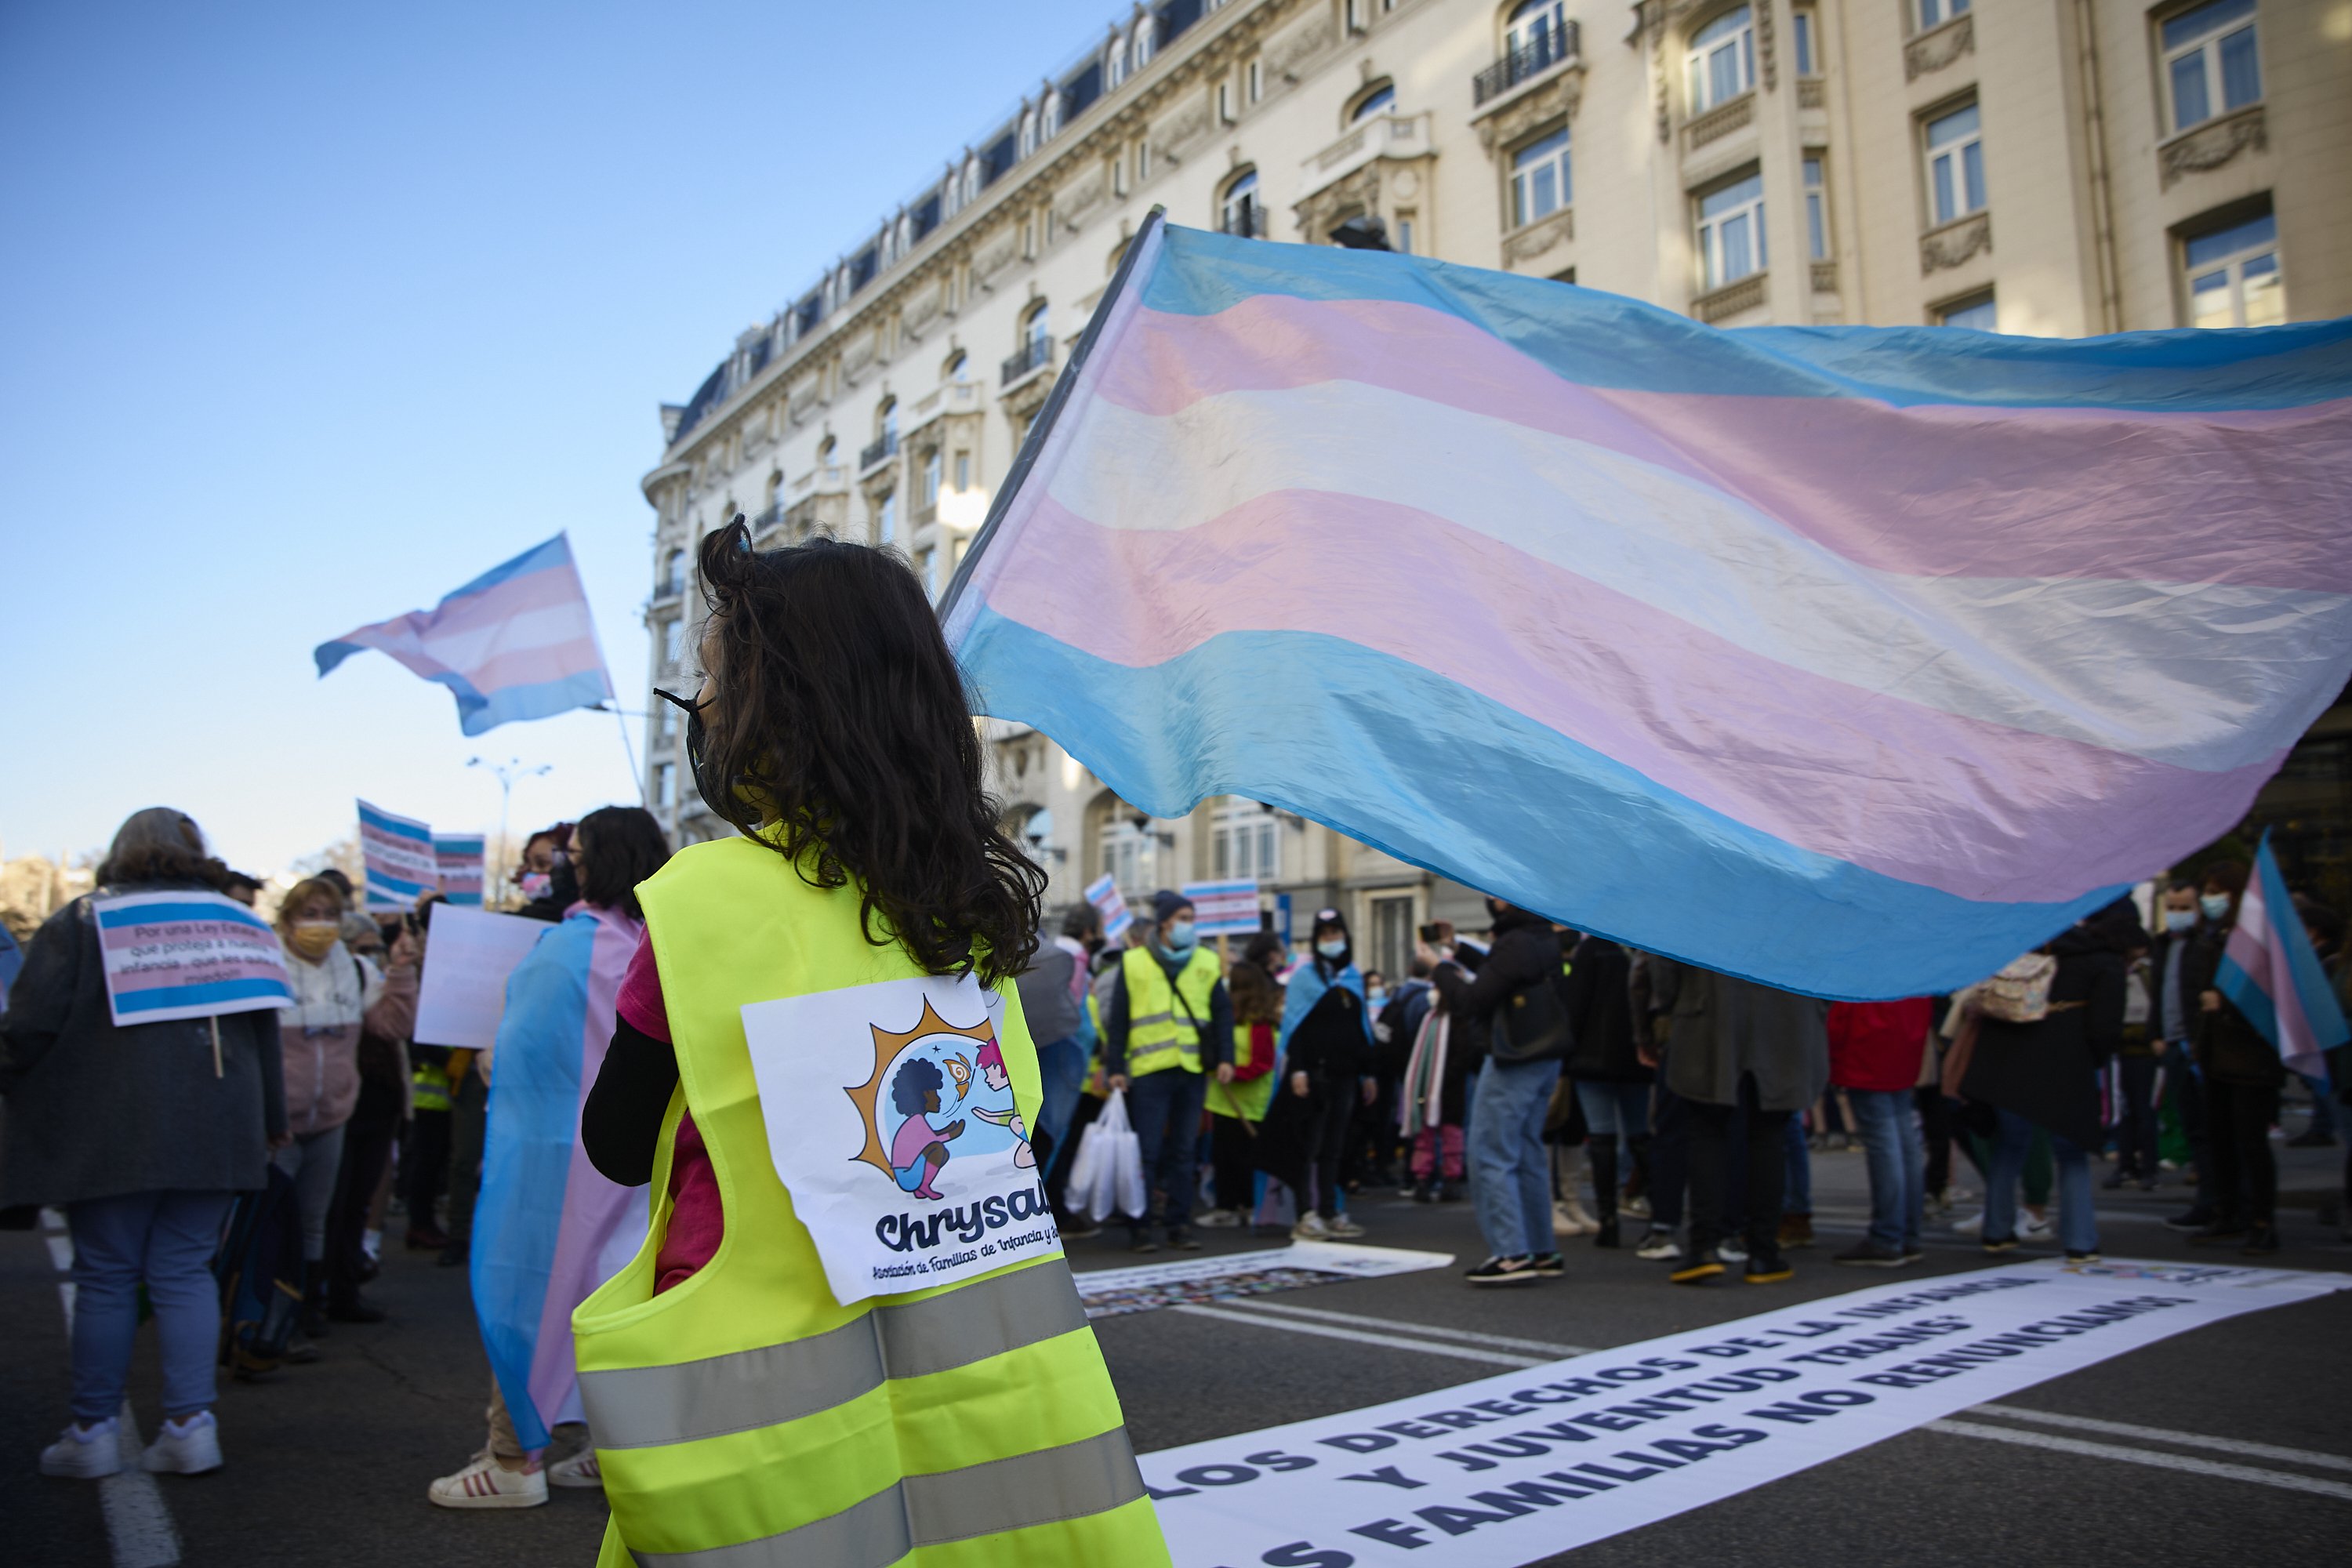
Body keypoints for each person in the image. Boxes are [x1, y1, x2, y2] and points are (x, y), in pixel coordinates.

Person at [572, 521, 1164, 1564]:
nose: (700, 705)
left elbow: (621, 1144)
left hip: (759, 1417)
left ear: (776, 708)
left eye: (711, 677)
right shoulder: (970, 915)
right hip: (999, 1410)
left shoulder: (706, 905)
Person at [5, 808, 287, 1479]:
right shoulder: (235, 922)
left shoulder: (82, 920)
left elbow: (28, 1026)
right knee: (186, 1271)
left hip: (110, 1128)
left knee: (105, 1275)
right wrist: (270, 1121)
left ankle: (93, 1431)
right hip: (219, 1128)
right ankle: (192, 1426)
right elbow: (263, 1037)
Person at [430, 804, 672, 1509]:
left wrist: (486, 1061)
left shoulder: (566, 949)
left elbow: (521, 1058)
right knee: (627, 1304)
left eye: (577, 851)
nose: (569, 861)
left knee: (528, 1298)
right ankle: (613, 1449)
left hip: (557, 1164)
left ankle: (512, 1461)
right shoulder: (662, 939)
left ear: (596, 861)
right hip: (639, 1165)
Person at [1964, 896, 2143, 1262]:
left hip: (2011, 1058)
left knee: (2010, 1145)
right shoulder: (2102, 959)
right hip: (2069, 1060)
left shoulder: (2019, 952)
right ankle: (2080, 1241)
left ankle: (1996, 1231)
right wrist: (2092, 1060)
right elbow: (2106, 1027)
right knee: (2072, 1151)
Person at [1647, 960, 1828, 1287]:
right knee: (1769, 1135)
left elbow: (1664, 960)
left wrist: (1668, 1007)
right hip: (1785, 1017)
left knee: (1707, 1130)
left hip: (1709, 1014)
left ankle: (1704, 1246)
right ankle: (1763, 1251)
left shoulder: (1697, 906)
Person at [1424, 898, 1567, 1285]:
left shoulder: (1515, 942)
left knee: (1491, 1152)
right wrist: (1456, 946)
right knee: (1527, 1151)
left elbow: (1472, 999)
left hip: (1513, 1057)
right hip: (1545, 1054)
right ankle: (1541, 1249)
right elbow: (1498, 975)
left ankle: (1510, 1253)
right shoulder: (1541, 936)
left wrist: (1439, 968)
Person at [274, 873, 387, 1337]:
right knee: (275, 1222)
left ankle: (305, 1309)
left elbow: (391, 1027)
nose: (320, 925)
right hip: (277, 1123)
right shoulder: (267, 967)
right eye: (309, 915)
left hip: (332, 1116)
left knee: (314, 1220)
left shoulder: (355, 969)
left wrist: (399, 973)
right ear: (286, 921)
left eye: (329, 916)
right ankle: (264, 1313)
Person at [1105, 889, 1232, 1252]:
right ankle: (1141, 1227)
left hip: (1192, 1070)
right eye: (1183, 919)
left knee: (1184, 1152)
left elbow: (1223, 1014)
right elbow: (1119, 1020)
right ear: (1164, 923)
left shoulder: (1207, 962)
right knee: (1147, 1152)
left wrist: (1225, 1058)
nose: (1189, 927)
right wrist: (1116, 1066)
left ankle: (1179, 1225)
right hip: (1149, 1070)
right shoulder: (1133, 963)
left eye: (1191, 920)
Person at [2183, 862, 2286, 1254]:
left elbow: (2266, 1003)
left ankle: (2261, 1220)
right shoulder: (2215, 938)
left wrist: (2221, 1006)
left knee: (2251, 1143)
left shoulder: (2257, 944)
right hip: (2217, 1058)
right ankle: (2228, 1213)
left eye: (2215, 891)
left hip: (2250, 1062)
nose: (2209, 899)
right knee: (2221, 1139)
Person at [323, 913, 419, 1321]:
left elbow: (395, 1024)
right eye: (361, 949)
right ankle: (312, 1296)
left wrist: (399, 971)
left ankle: (343, 1291)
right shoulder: (317, 981)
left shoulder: (367, 978)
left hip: (377, 1106)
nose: (369, 958)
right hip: (333, 1108)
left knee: (355, 1204)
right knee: (327, 1205)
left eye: (373, 949)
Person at [1261, 909, 1375, 1240]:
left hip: (1346, 1076)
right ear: (1315, 939)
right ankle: (1305, 1213)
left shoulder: (1352, 977)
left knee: (1334, 1147)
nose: (1330, 939)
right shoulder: (1304, 978)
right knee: (1307, 1147)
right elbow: (1294, 1027)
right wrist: (1297, 1068)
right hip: (1313, 1076)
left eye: (1335, 932)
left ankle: (1330, 1210)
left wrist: (1368, 1073)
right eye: (1324, 934)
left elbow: (1362, 1029)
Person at [1826, 998, 1934, 1266]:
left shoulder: (1867, 963)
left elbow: (1844, 1010)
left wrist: (1832, 1050)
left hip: (1869, 1046)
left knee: (1885, 1143)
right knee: (1904, 1140)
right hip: (1903, 1042)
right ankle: (1908, 1233)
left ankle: (1887, 1236)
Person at [1562, 930, 1647, 1248]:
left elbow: (1576, 1007)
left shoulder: (1590, 952)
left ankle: (1608, 1218)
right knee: (1640, 1134)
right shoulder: (1635, 949)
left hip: (1592, 1060)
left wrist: (1567, 1056)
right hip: (1634, 1059)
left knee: (1601, 1137)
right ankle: (1653, 1206)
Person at [2149, 880, 2220, 1229]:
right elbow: (2159, 993)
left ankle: (2217, 1200)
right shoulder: (2164, 945)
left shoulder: (2206, 946)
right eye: (2172, 907)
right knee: (2192, 1126)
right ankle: (2208, 1200)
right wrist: (2157, 1035)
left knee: (2209, 1128)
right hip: (2174, 1044)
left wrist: (2194, 1039)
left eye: (2184, 907)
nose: (2177, 914)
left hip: (2195, 1046)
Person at [1201, 931, 1283, 1227]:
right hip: (1224, 1100)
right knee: (1224, 1157)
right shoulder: (1230, 1018)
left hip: (1248, 1101)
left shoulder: (1260, 1024)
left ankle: (1247, 1206)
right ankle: (1228, 1206)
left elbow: (1262, 1063)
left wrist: (1233, 1073)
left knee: (1245, 1158)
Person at [1014, 904, 1094, 1186]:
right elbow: (1075, 1016)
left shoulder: (1045, 954)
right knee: (1044, 1137)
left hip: (1036, 1055)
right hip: (1054, 1055)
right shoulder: (1056, 956)